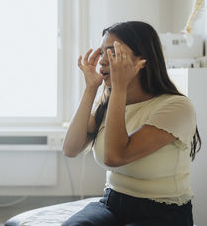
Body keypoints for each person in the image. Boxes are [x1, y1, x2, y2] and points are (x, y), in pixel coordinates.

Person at [62, 21, 201, 226]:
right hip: (111, 202)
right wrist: (91, 88)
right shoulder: (109, 105)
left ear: (142, 59)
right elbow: (70, 149)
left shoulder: (177, 107)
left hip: (163, 212)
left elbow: (115, 157)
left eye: (112, 53)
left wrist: (119, 88)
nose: (102, 62)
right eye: (101, 53)